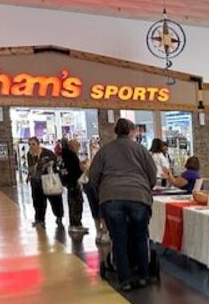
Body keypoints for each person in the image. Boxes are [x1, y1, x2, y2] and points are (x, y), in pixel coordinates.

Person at [89, 118, 157, 292]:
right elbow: (152, 174)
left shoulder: (104, 151)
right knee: (140, 236)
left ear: (116, 131)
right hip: (138, 196)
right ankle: (143, 276)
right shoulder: (141, 150)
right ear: (131, 131)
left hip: (111, 196)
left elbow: (93, 176)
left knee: (118, 239)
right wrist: (146, 188)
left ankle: (124, 280)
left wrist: (101, 193)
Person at [27, 136, 64, 227]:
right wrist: (32, 171)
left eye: (33, 144)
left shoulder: (47, 152)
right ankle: (40, 219)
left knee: (54, 199)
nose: (31, 146)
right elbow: (31, 168)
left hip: (48, 179)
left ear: (38, 144)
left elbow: (55, 160)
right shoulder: (29, 154)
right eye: (29, 144)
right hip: (36, 182)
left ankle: (59, 216)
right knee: (38, 201)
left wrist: (49, 164)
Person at [60, 138, 89, 235]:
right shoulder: (71, 156)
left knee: (74, 203)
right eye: (78, 146)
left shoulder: (66, 155)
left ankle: (76, 224)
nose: (79, 148)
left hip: (70, 183)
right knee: (76, 204)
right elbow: (75, 169)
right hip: (73, 183)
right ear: (72, 146)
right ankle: (75, 224)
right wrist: (83, 167)